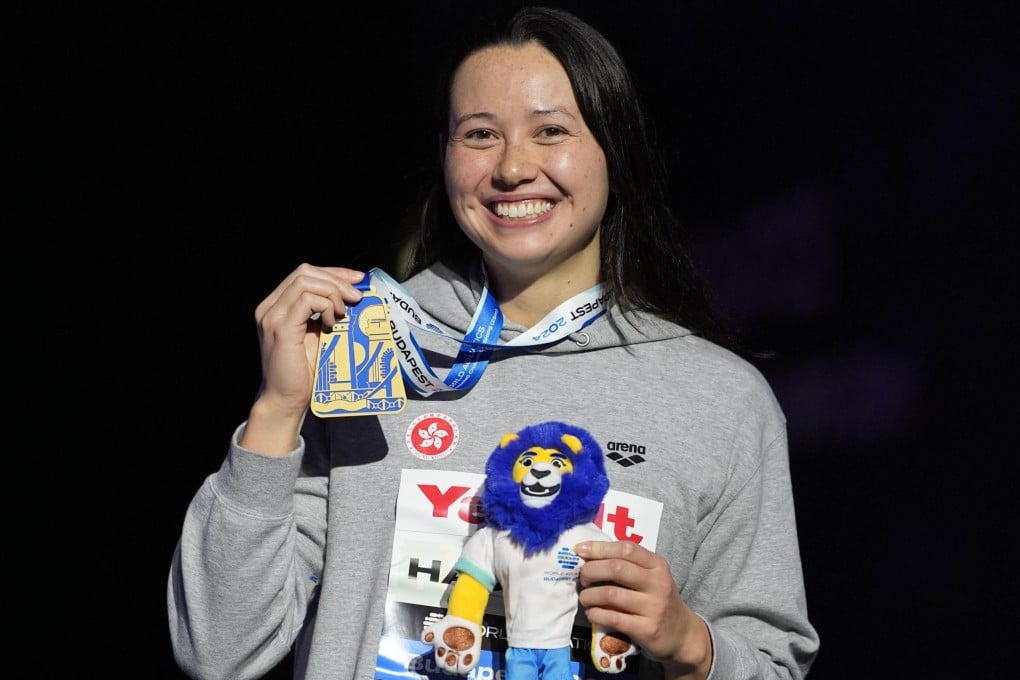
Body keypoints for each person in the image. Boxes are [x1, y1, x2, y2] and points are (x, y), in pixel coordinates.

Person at [167, 6, 820, 680]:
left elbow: (772, 662)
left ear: (616, 153)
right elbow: (220, 650)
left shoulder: (720, 399)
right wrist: (276, 411)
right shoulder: (362, 351)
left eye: (551, 131)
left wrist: (692, 645)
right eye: (480, 134)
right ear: (445, 156)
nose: (512, 168)